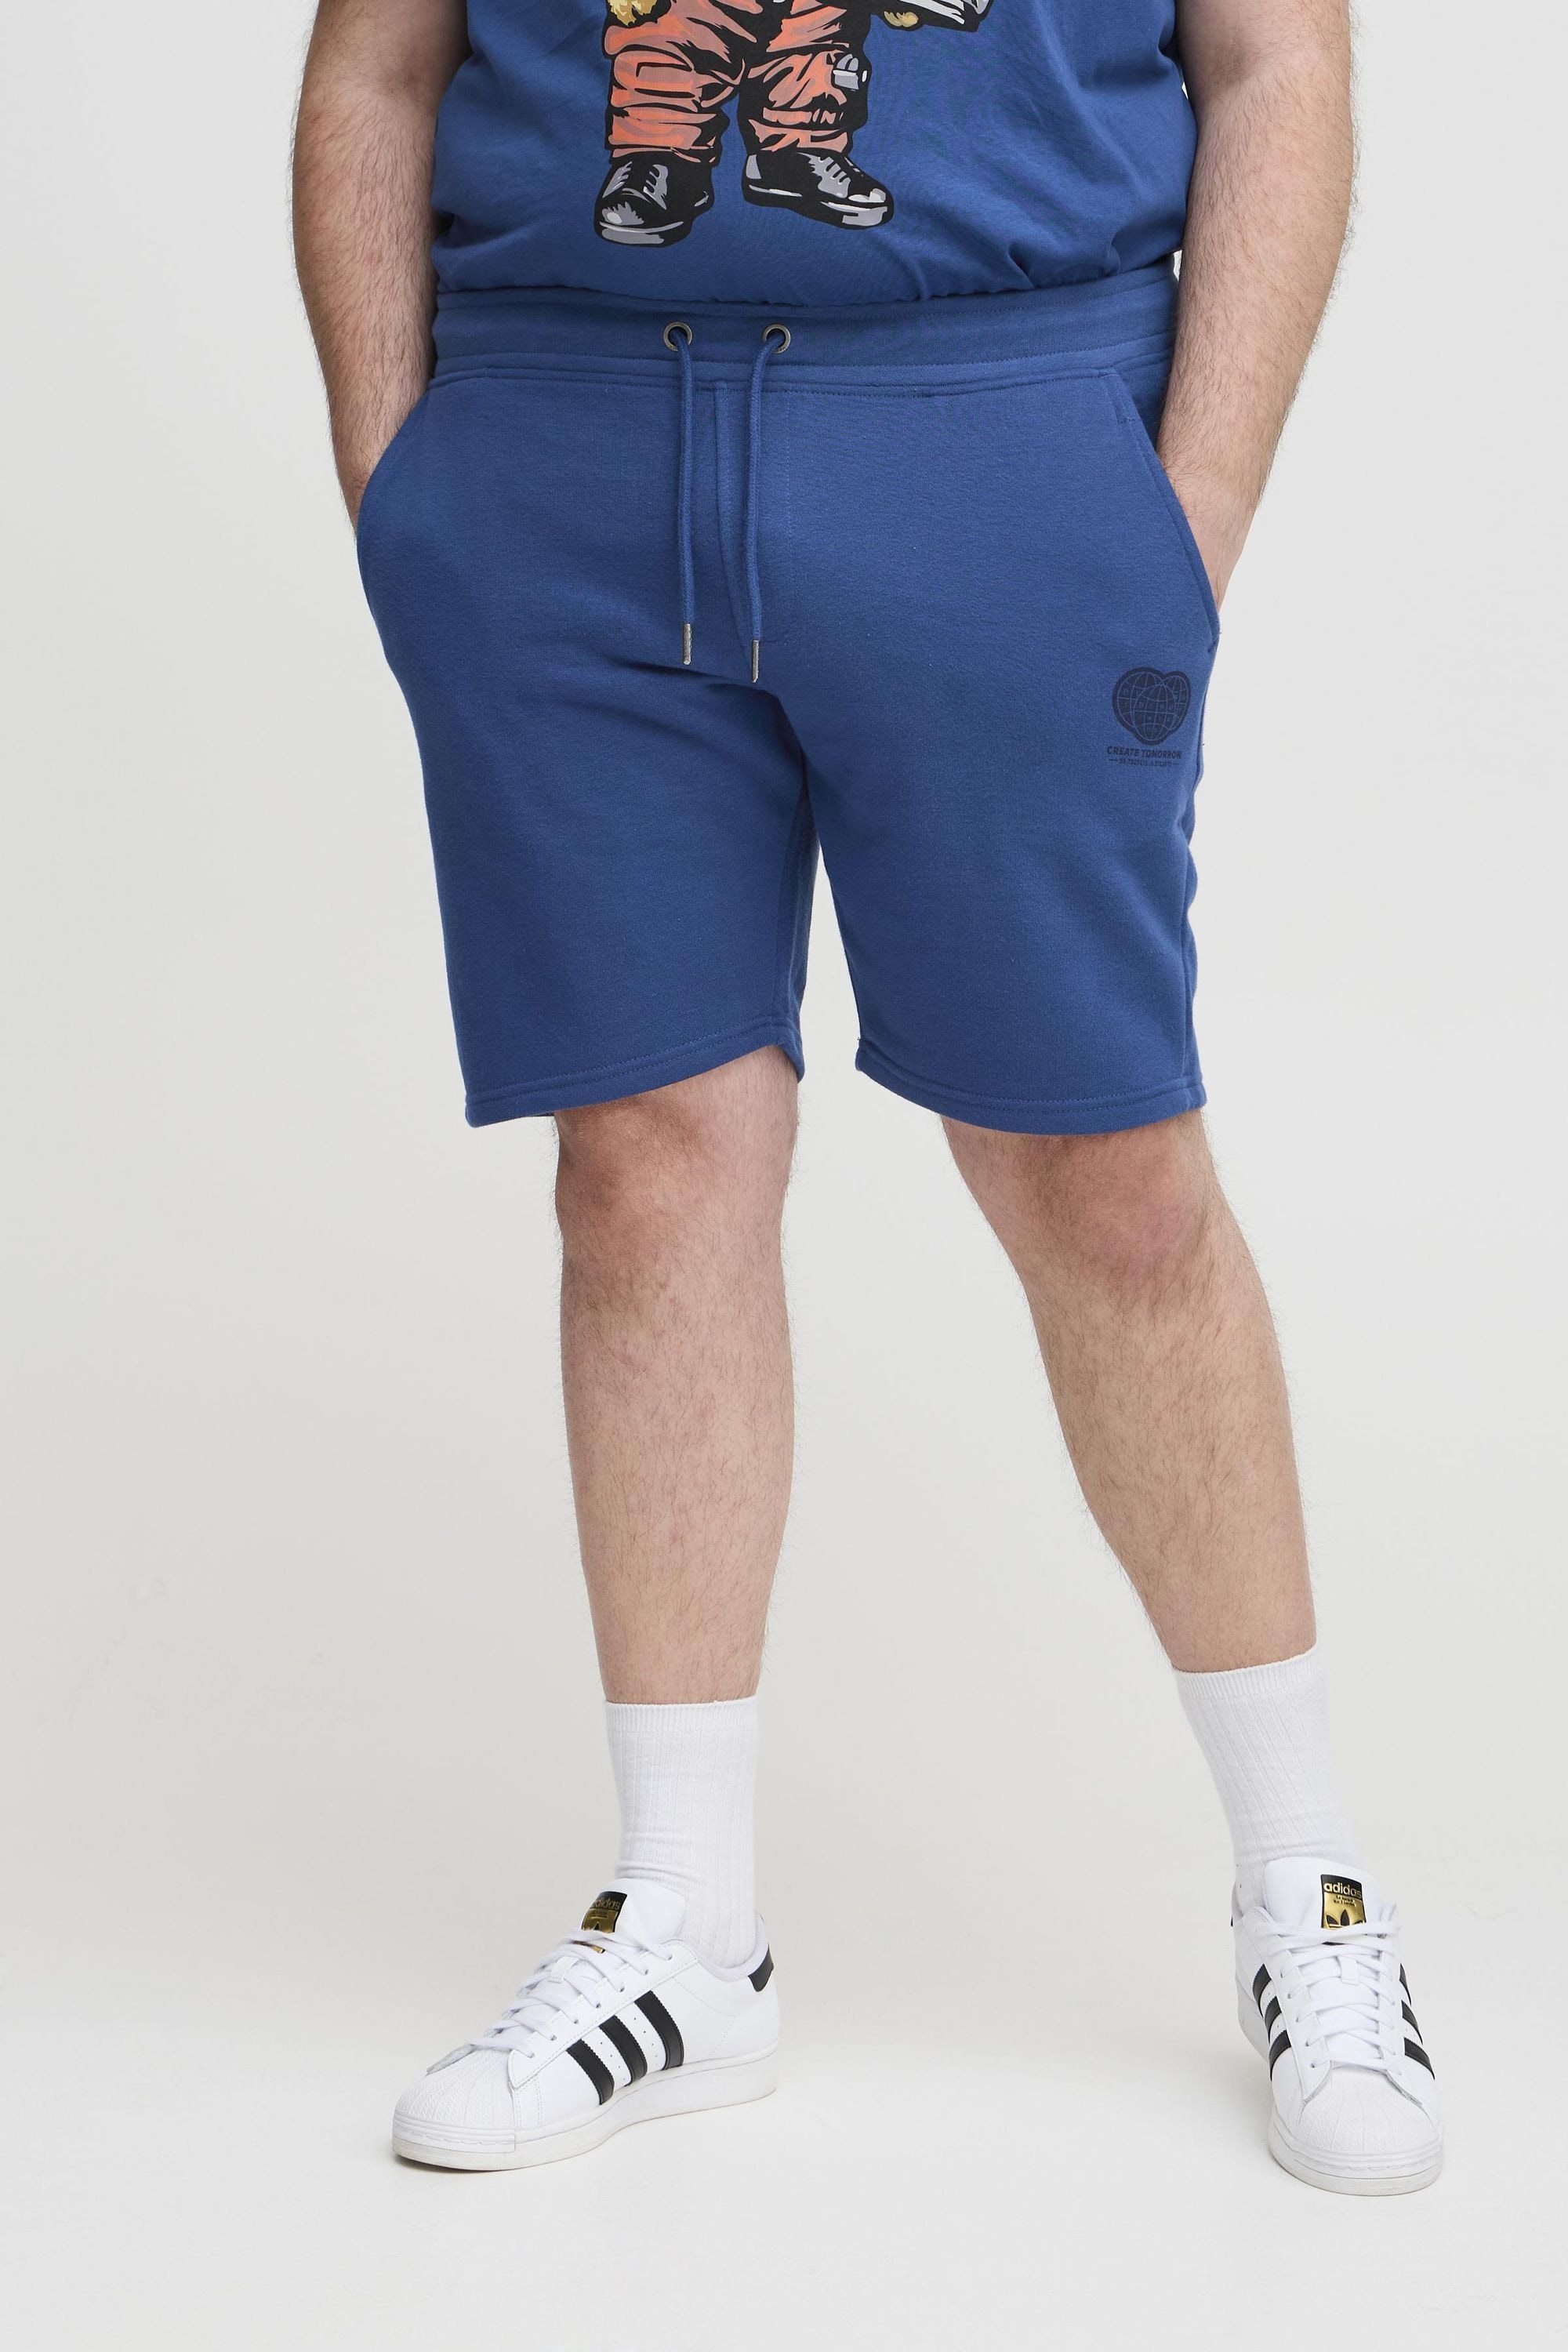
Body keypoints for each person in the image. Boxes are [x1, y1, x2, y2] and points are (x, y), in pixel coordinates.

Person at [294, 0, 1441, 2194]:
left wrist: (1183, 514)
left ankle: (1309, 1888)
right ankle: (685, 1924)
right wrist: (395, 482)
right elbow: (375, 61)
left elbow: (1275, 59)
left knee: (1104, 1174)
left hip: (1001, 426)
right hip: (556, 451)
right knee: (644, 1167)